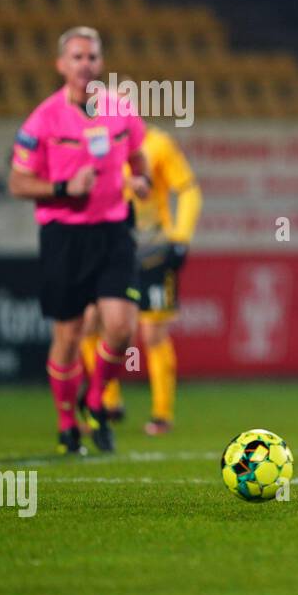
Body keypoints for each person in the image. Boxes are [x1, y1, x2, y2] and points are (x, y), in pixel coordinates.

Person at [8, 26, 149, 454]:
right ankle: (67, 425)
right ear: (61, 65)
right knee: (68, 336)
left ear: (101, 63)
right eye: (76, 57)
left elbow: (138, 154)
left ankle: (94, 401)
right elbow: (17, 182)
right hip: (65, 236)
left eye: (92, 57)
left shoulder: (121, 110)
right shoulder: (43, 119)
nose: (85, 64)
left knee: (122, 329)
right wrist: (65, 187)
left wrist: (140, 178)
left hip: (113, 229)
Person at [81, 124, 201, 436]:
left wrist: (181, 237)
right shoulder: (95, 143)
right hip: (108, 248)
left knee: (152, 334)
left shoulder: (158, 144)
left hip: (152, 251)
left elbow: (188, 189)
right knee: (91, 323)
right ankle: (108, 403)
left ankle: (162, 413)